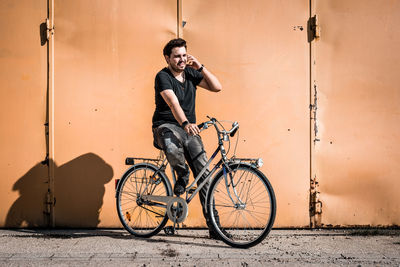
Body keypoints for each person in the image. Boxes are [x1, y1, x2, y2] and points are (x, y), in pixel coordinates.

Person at [152, 38, 222, 238]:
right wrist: (185, 123)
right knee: (172, 147)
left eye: (184, 55)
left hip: (188, 131)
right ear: (168, 58)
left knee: (204, 176)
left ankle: (214, 227)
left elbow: (217, 87)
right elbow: (173, 103)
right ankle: (182, 176)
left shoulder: (191, 74)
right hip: (166, 127)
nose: (182, 60)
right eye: (177, 56)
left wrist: (200, 66)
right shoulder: (162, 76)